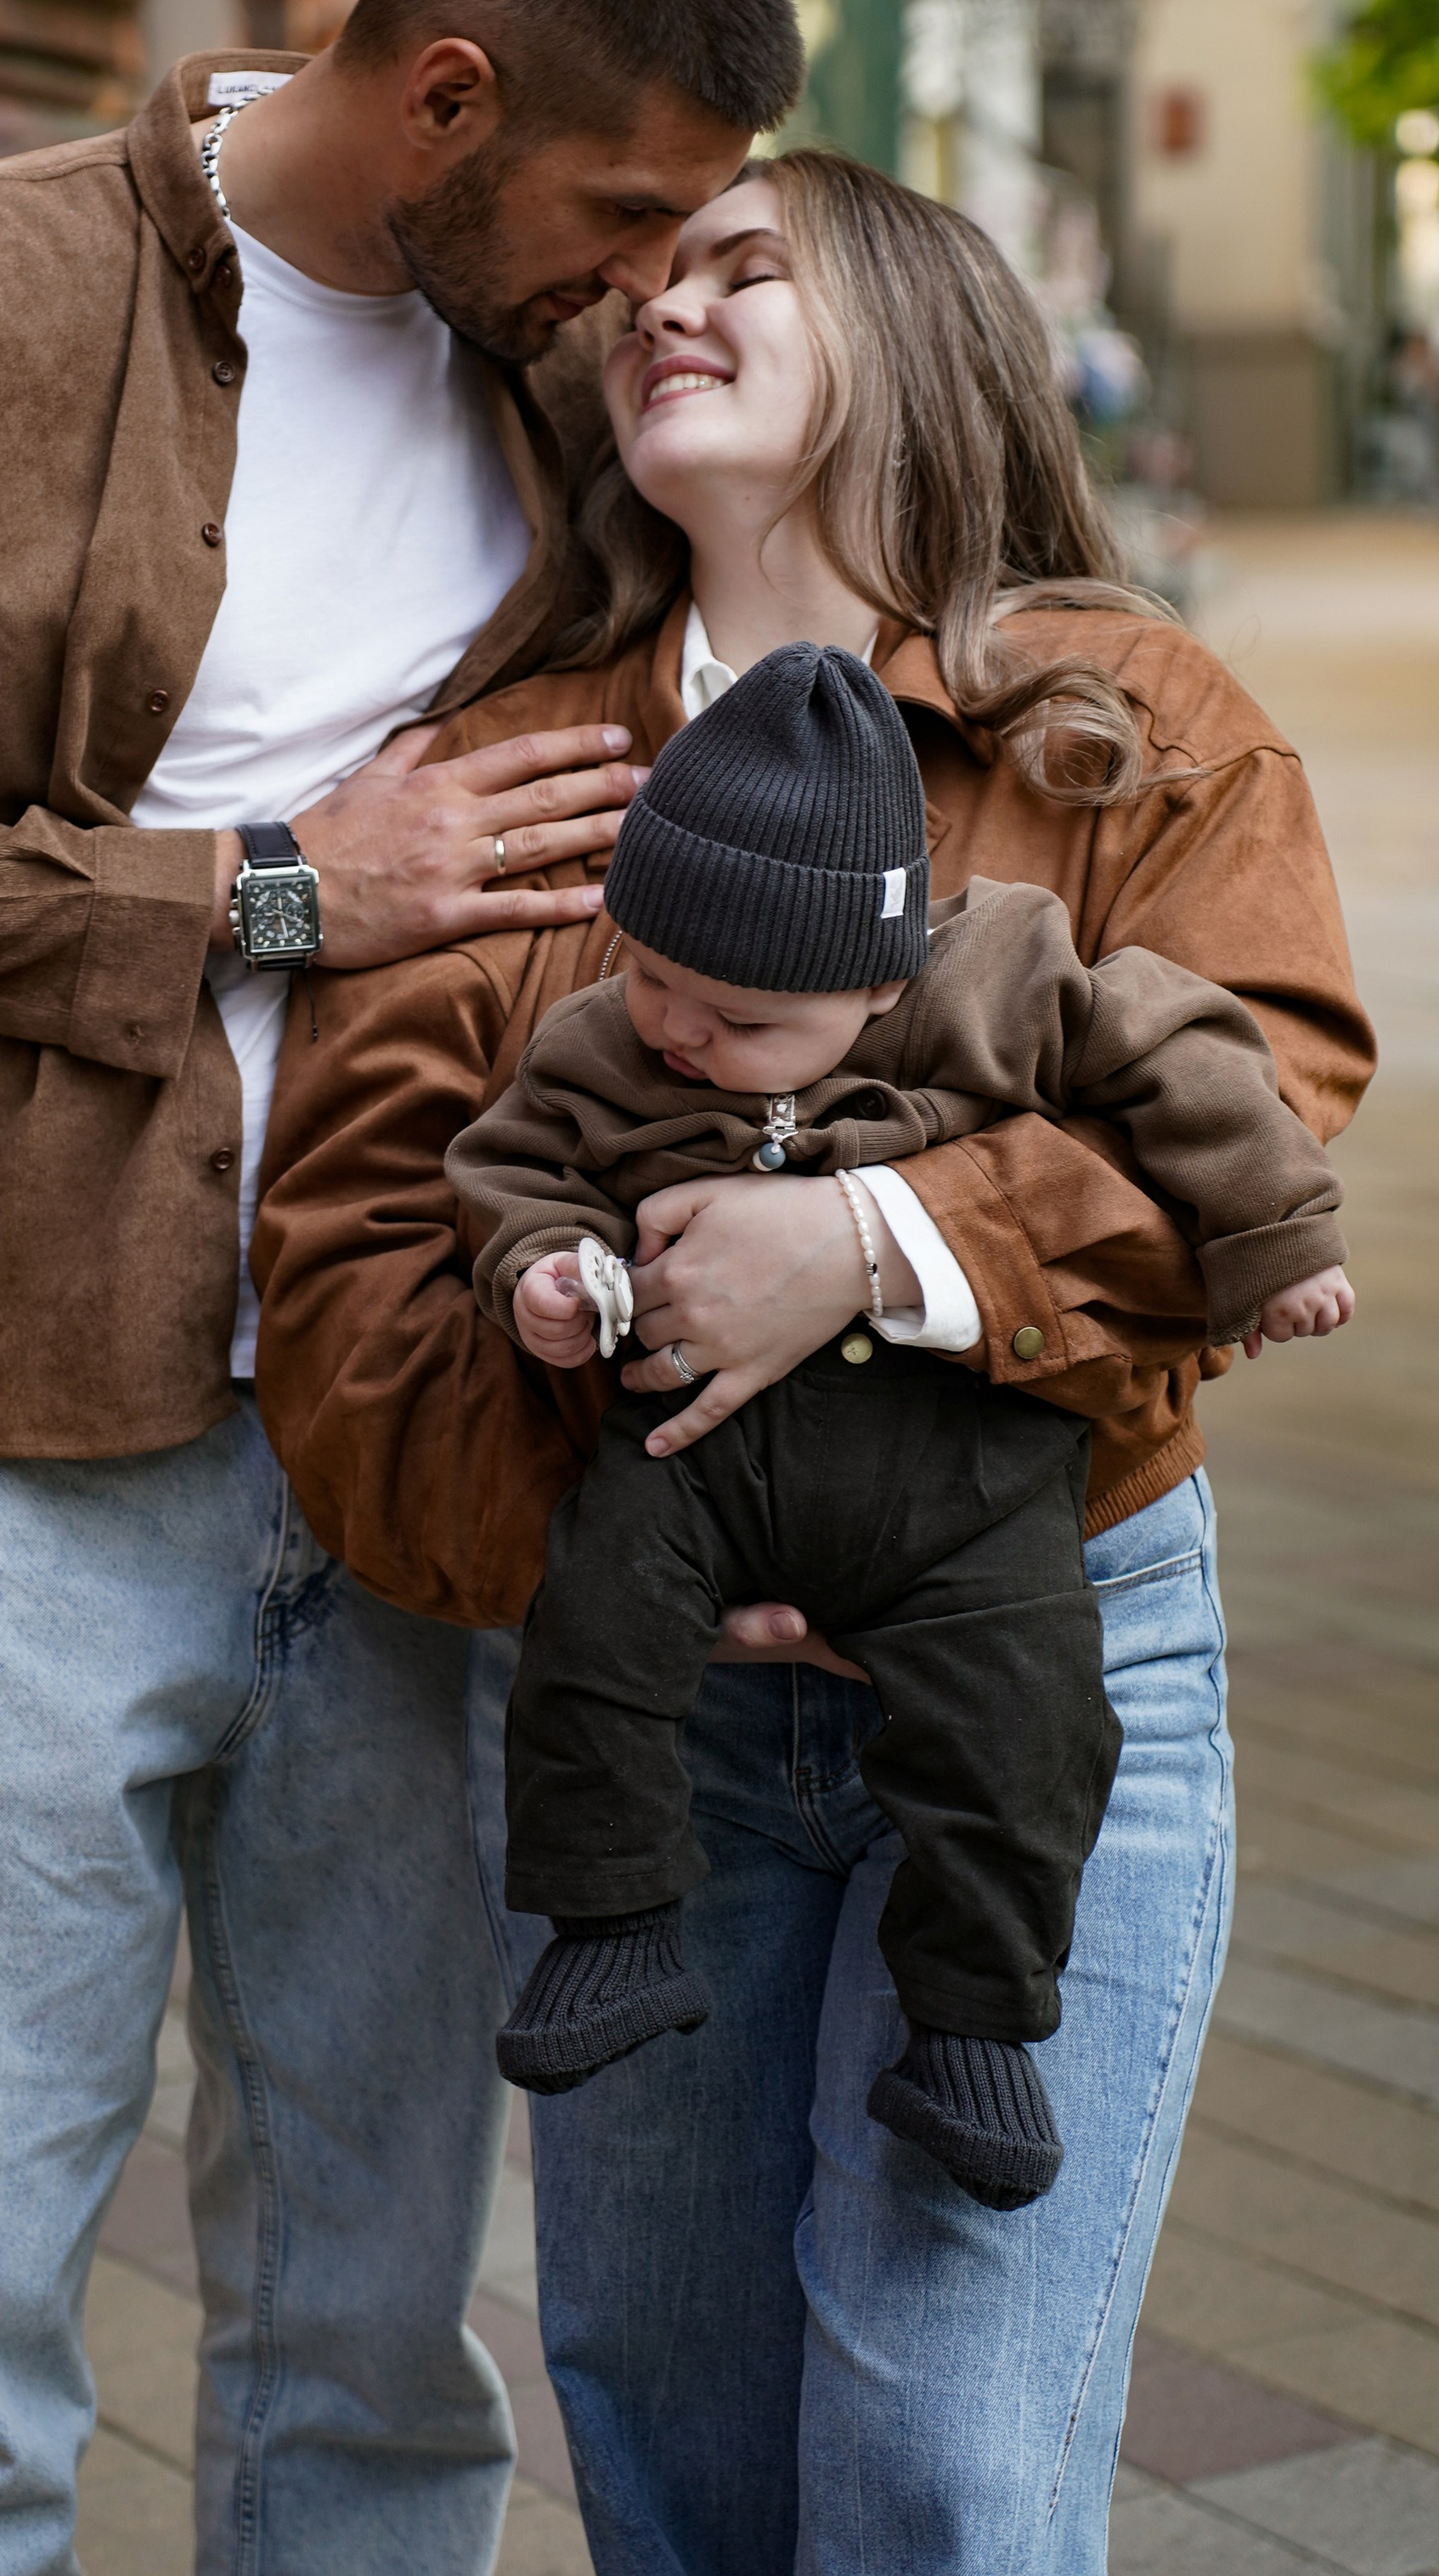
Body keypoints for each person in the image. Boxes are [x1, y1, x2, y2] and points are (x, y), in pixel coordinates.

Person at [0, 0, 804, 2574]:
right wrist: (275, 887)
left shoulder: (574, 409)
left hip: (407, 1472)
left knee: (379, 2355)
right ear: (450, 95)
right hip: (4, 1452)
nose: (653, 282)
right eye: (625, 205)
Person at [250, 150, 1374, 2572]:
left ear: (925, 331)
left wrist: (860, 1244)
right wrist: (618, 1506)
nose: (669, 302)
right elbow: (349, 1308)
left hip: (1051, 1654)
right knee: (678, 2443)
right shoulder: (517, 767)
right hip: (644, 1733)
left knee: (947, 2462)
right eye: (645, 279)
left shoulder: (1125, 719)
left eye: (749, 264)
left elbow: (1260, 1116)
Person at [446, 643, 1350, 2208]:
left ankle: (976, 2030)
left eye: (733, 1016)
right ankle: (609, 1931)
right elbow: (516, 1168)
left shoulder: (999, 971)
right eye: (651, 972)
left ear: (877, 977)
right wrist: (541, 1273)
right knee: (588, 1629)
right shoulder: (607, 1042)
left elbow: (1190, 1057)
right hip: (693, 1460)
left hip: (966, 1474)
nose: (673, 1029)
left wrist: (1277, 1240)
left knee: (1031, 1725)